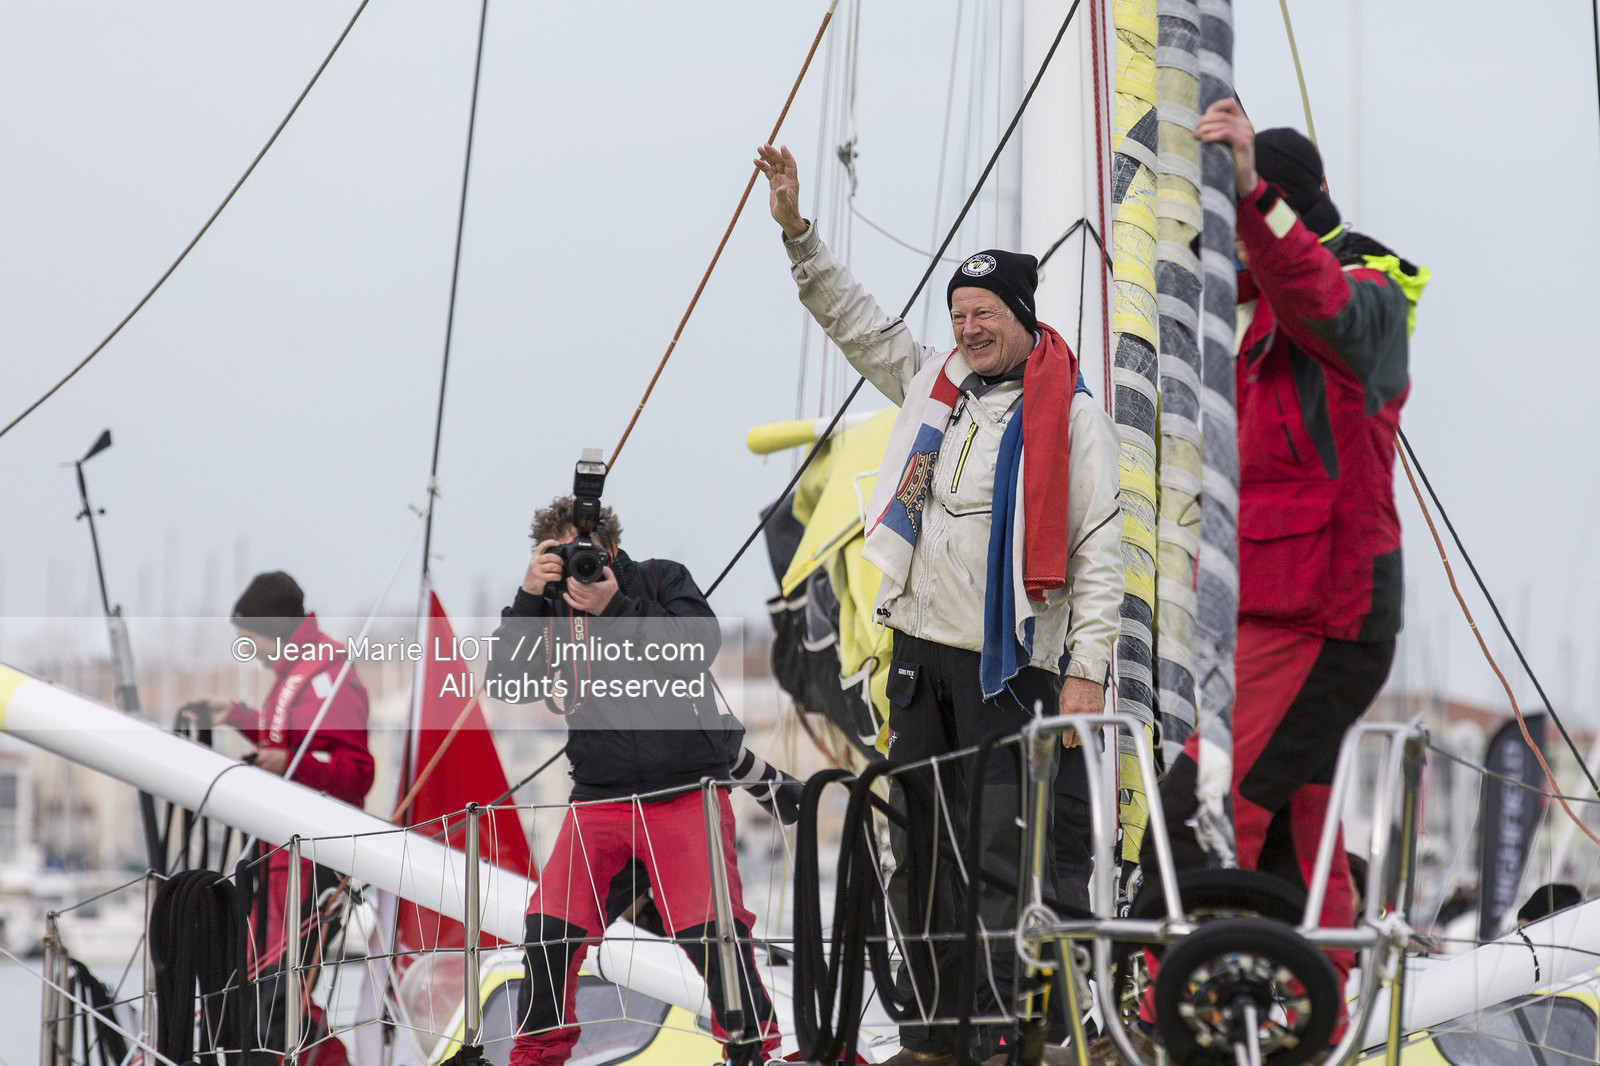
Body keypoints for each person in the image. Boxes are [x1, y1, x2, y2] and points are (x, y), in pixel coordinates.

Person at [756, 144, 1123, 1065]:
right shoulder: (934, 384)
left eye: (984, 314)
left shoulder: (1073, 417)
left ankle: (1000, 1029)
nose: (968, 329)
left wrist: (1086, 672)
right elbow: (857, 323)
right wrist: (799, 234)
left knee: (1003, 851)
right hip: (920, 659)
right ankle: (932, 1028)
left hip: (1011, 668)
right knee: (918, 846)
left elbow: (1098, 552)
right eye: (959, 315)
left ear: (1021, 317)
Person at [1139, 99, 1428, 1011]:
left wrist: (1249, 190)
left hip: (1323, 615)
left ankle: (1162, 1017)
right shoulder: (1254, 314)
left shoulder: (1364, 300)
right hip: (1274, 617)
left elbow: (1320, 299)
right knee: (1296, 833)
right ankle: (1324, 1011)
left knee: (1196, 815)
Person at [486, 496, 787, 1066]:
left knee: (712, 935)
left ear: (613, 549)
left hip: (685, 794)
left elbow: (698, 646)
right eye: (561, 557)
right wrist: (527, 596)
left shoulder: (659, 580)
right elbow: (508, 683)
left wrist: (616, 607)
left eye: (587, 554)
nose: (579, 567)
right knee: (548, 931)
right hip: (598, 800)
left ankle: (753, 1051)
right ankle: (537, 1057)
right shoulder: (548, 612)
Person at [189, 570, 375, 1065]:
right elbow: (290, 744)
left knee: (279, 998)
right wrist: (234, 715)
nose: (249, 650)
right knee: (256, 990)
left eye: (249, 638)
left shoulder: (327, 677)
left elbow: (356, 772)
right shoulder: (297, 673)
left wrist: (290, 762)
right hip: (278, 860)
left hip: (311, 863)